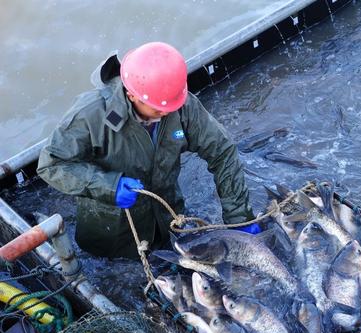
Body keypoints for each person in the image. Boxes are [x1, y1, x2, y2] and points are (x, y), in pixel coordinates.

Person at [37, 42, 260, 258]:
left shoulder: (181, 107)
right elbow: (51, 165)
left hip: (168, 222)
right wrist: (108, 186)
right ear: (132, 94)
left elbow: (222, 151)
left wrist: (240, 217)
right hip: (112, 236)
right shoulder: (90, 115)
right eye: (158, 108)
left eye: (170, 107)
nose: (166, 113)